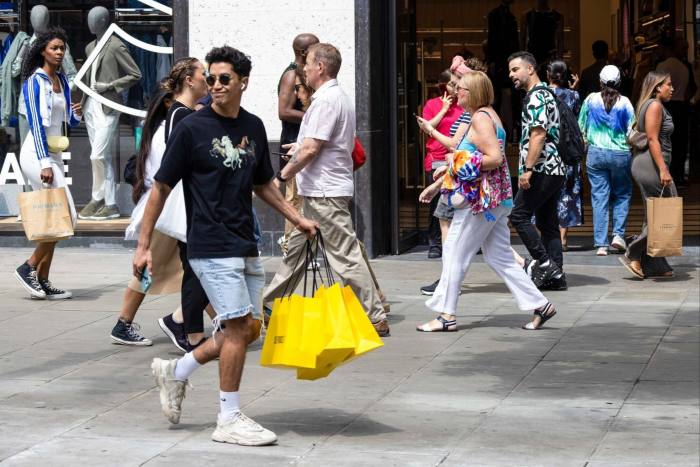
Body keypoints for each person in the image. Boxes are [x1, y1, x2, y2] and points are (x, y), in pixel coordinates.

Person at [135, 45, 317, 445]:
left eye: (224, 79)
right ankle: (228, 418)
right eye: (211, 79)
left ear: (242, 83)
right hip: (209, 243)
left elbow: (264, 184)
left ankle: (176, 371)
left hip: (243, 241)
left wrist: (297, 217)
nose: (214, 86)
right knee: (235, 328)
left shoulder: (251, 126)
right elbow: (161, 186)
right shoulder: (191, 128)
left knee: (249, 327)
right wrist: (144, 244)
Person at [263, 43, 390, 336]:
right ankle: (269, 307)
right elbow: (316, 142)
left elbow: (311, 148)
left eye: (307, 63)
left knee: (345, 255)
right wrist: (300, 146)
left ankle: (374, 315)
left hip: (325, 194)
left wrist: (282, 175)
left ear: (320, 67)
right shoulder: (333, 97)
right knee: (295, 253)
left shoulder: (326, 101)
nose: (303, 68)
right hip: (318, 193)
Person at [415, 71, 556, 332]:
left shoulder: (480, 119)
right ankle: (541, 305)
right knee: (498, 257)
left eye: (462, 89)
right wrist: (444, 175)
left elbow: (494, 158)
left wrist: (454, 161)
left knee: (455, 252)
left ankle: (447, 316)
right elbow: (475, 154)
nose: (457, 92)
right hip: (495, 201)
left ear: (474, 93)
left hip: (480, 202)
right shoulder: (487, 115)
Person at [151, 58, 216, 353]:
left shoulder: (187, 112)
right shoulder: (181, 115)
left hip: (191, 200)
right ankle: (185, 327)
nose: (209, 79)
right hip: (187, 202)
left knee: (198, 268)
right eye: (205, 74)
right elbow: (177, 162)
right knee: (198, 268)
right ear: (190, 80)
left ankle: (185, 324)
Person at [14, 28, 82, 300]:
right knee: (67, 215)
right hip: (35, 153)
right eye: (55, 48)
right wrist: (43, 163)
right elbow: (36, 125)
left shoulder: (62, 80)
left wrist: (75, 115)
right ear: (43, 50)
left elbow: (66, 124)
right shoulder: (34, 82)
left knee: (56, 219)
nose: (59, 52)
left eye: (62, 48)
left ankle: (42, 279)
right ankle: (28, 267)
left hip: (51, 153)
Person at [109, 89, 178, 345]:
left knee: (190, 271)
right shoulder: (165, 132)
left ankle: (226, 323)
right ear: (170, 100)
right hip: (164, 211)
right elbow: (164, 179)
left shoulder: (162, 128)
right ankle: (124, 324)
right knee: (153, 271)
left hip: (165, 210)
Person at [507, 51, 566, 289]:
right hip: (554, 169)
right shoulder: (546, 94)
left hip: (542, 168)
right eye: (510, 71)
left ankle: (544, 264)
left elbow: (538, 134)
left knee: (518, 215)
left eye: (515, 69)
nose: (511, 75)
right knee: (548, 223)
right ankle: (556, 277)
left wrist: (528, 169)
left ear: (530, 69)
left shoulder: (536, 97)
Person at [620, 71, 677, 279]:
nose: (672, 89)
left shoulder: (653, 105)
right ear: (657, 87)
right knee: (665, 213)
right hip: (650, 165)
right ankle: (633, 250)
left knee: (655, 213)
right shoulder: (654, 105)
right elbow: (653, 140)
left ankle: (655, 263)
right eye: (668, 85)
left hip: (651, 164)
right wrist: (663, 169)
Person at [578, 65, 635, 256]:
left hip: (595, 153)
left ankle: (601, 244)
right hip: (620, 154)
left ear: (600, 82)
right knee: (622, 194)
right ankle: (618, 235)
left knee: (599, 196)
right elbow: (631, 131)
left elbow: (581, 128)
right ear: (619, 82)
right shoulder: (625, 102)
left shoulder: (590, 100)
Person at [277, 33, 319, 256]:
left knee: (304, 199)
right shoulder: (291, 74)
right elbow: (283, 111)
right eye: (315, 46)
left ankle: (302, 248)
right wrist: (314, 115)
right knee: (293, 199)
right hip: (292, 145)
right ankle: (290, 249)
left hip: (306, 142)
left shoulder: (307, 73)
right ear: (304, 52)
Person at [422, 68, 463, 259]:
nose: (456, 88)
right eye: (452, 84)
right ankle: (435, 243)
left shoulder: (463, 105)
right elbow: (427, 127)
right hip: (437, 158)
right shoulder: (432, 104)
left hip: (458, 158)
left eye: (458, 84)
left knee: (459, 201)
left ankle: (459, 240)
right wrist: (444, 109)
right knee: (437, 203)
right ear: (444, 85)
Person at [547, 60, 583, 252]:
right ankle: (563, 239)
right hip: (567, 151)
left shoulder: (541, 94)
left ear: (548, 74)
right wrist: (573, 89)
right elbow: (575, 119)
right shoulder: (574, 95)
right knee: (567, 194)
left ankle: (547, 236)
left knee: (546, 192)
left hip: (548, 151)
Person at [656, 37, 691, 187]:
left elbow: (656, 87)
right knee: (681, 141)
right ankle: (680, 175)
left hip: (667, 106)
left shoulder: (662, 66)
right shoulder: (684, 67)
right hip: (682, 106)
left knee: (665, 139)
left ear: (666, 49)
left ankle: (665, 172)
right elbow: (690, 88)